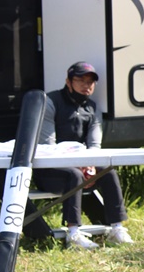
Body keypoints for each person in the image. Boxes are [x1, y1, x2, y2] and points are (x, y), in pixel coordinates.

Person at [33, 61, 133, 250]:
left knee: (108, 171)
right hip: (50, 170)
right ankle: (73, 234)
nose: (86, 85)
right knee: (75, 174)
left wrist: (90, 163)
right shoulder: (50, 102)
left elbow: (94, 144)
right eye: (81, 80)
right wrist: (80, 164)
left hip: (82, 166)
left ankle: (117, 229)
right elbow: (48, 146)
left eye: (90, 82)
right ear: (68, 82)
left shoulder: (93, 108)